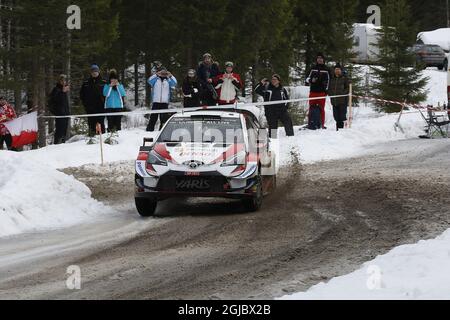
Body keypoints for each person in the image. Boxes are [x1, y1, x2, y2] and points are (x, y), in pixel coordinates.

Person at [255, 74, 294, 138]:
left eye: (275, 79)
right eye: (272, 79)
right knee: (273, 127)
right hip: (271, 111)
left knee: (288, 121)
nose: (273, 81)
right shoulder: (267, 88)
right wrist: (261, 83)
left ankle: (290, 137)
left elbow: (286, 100)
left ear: (279, 81)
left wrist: (285, 108)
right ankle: (273, 140)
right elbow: (256, 90)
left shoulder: (282, 89)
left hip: (281, 110)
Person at [305, 53, 331, 129]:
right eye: (318, 58)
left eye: (321, 58)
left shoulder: (327, 69)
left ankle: (321, 124)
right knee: (311, 108)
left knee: (321, 109)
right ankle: (311, 123)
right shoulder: (312, 68)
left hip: (322, 93)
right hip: (313, 92)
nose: (319, 59)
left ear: (323, 59)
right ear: (316, 59)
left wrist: (326, 91)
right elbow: (306, 79)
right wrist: (311, 80)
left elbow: (330, 81)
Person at [80, 64, 107, 136]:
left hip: (101, 107)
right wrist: (85, 105)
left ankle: (102, 138)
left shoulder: (104, 82)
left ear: (98, 72)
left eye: (96, 71)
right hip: (90, 108)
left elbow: (108, 94)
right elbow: (82, 95)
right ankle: (91, 139)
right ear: (90, 73)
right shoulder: (86, 83)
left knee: (101, 124)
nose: (94, 72)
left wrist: (105, 103)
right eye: (93, 71)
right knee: (91, 124)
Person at [49, 75, 70, 144]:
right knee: (59, 131)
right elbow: (54, 100)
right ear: (59, 81)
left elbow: (65, 103)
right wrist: (62, 92)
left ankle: (63, 144)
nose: (64, 82)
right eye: (62, 80)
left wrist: (68, 112)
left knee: (64, 131)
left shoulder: (64, 89)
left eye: (65, 80)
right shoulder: (56, 89)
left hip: (65, 114)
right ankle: (56, 144)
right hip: (59, 114)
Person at [328, 64, 350, 131]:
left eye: (338, 69)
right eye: (336, 69)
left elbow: (348, 88)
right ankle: (338, 130)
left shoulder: (344, 78)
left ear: (341, 70)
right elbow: (329, 88)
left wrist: (343, 93)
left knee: (342, 117)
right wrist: (330, 93)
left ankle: (341, 130)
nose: (337, 71)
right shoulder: (332, 78)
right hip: (334, 101)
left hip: (342, 100)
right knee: (336, 117)